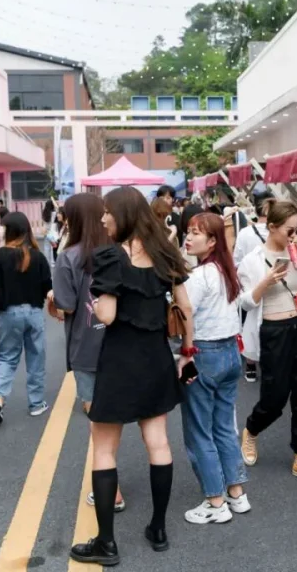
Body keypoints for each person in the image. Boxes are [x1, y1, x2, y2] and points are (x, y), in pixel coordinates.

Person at [70, 187, 194, 565]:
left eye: (108, 211)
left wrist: (96, 302)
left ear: (122, 214)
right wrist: (187, 353)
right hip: (156, 358)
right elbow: (186, 308)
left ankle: (106, 543)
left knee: (104, 449)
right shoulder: (164, 253)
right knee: (158, 442)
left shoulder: (109, 256)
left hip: (119, 361)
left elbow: (107, 316)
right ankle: (158, 529)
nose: (103, 218)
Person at [237, 201, 297, 485]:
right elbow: (245, 302)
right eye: (290, 230)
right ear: (272, 227)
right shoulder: (252, 260)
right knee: (274, 397)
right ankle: (251, 429)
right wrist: (267, 281)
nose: (294, 235)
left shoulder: (296, 251)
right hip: (274, 330)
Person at [49, 194, 125, 512]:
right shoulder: (119, 251)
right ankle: (112, 480)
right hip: (120, 344)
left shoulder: (68, 256)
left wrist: (51, 299)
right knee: (116, 418)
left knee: (98, 421)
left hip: (86, 347)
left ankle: (111, 489)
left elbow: (66, 305)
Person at [181, 212, 250, 524]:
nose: (188, 237)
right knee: (223, 427)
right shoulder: (226, 271)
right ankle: (236, 493)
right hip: (231, 352)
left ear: (212, 241)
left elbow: (185, 313)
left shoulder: (199, 277)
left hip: (204, 353)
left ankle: (215, 501)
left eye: (196, 233)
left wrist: (185, 353)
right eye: (188, 231)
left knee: (199, 431)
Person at [0, 212, 52, 424]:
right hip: (34, 312)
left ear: (9, 231)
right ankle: (36, 404)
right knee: (36, 357)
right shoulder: (38, 256)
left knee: (6, 357)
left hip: (9, 312)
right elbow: (47, 287)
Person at [233, 193, 275, 382]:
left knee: (250, 322)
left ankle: (250, 364)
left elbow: (236, 261)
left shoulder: (245, 233)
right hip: (275, 280)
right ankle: (270, 361)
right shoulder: (278, 231)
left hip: (250, 283)